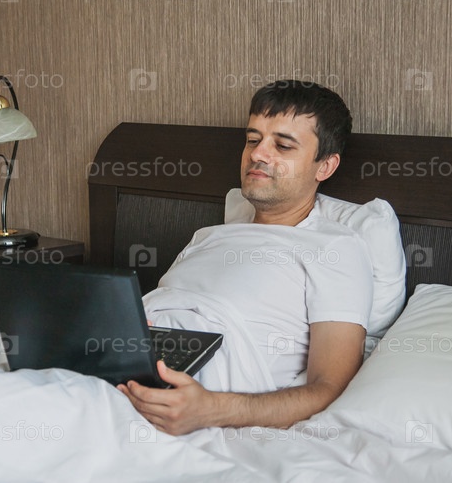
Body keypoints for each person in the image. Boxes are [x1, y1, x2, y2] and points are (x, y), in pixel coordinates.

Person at [117, 80, 374, 436]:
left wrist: (211, 410)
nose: (258, 154)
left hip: (189, 406)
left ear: (325, 167)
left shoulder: (335, 248)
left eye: (282, 145)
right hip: (119, 370)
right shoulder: (207, 238)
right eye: (253, 140)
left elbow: (330, 389)